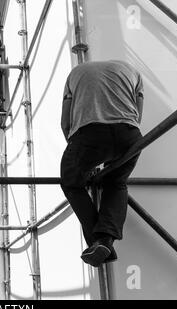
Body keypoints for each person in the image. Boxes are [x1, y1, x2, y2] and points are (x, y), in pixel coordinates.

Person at [60, 60, 144, 267]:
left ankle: (97, 241)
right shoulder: (132, 71)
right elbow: (137, 113)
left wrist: (80, 158)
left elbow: (65, 122)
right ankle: (106, 239)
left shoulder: (75, 74)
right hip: (130, 135)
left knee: (71, 182)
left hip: (90, 133)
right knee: (116, 183)